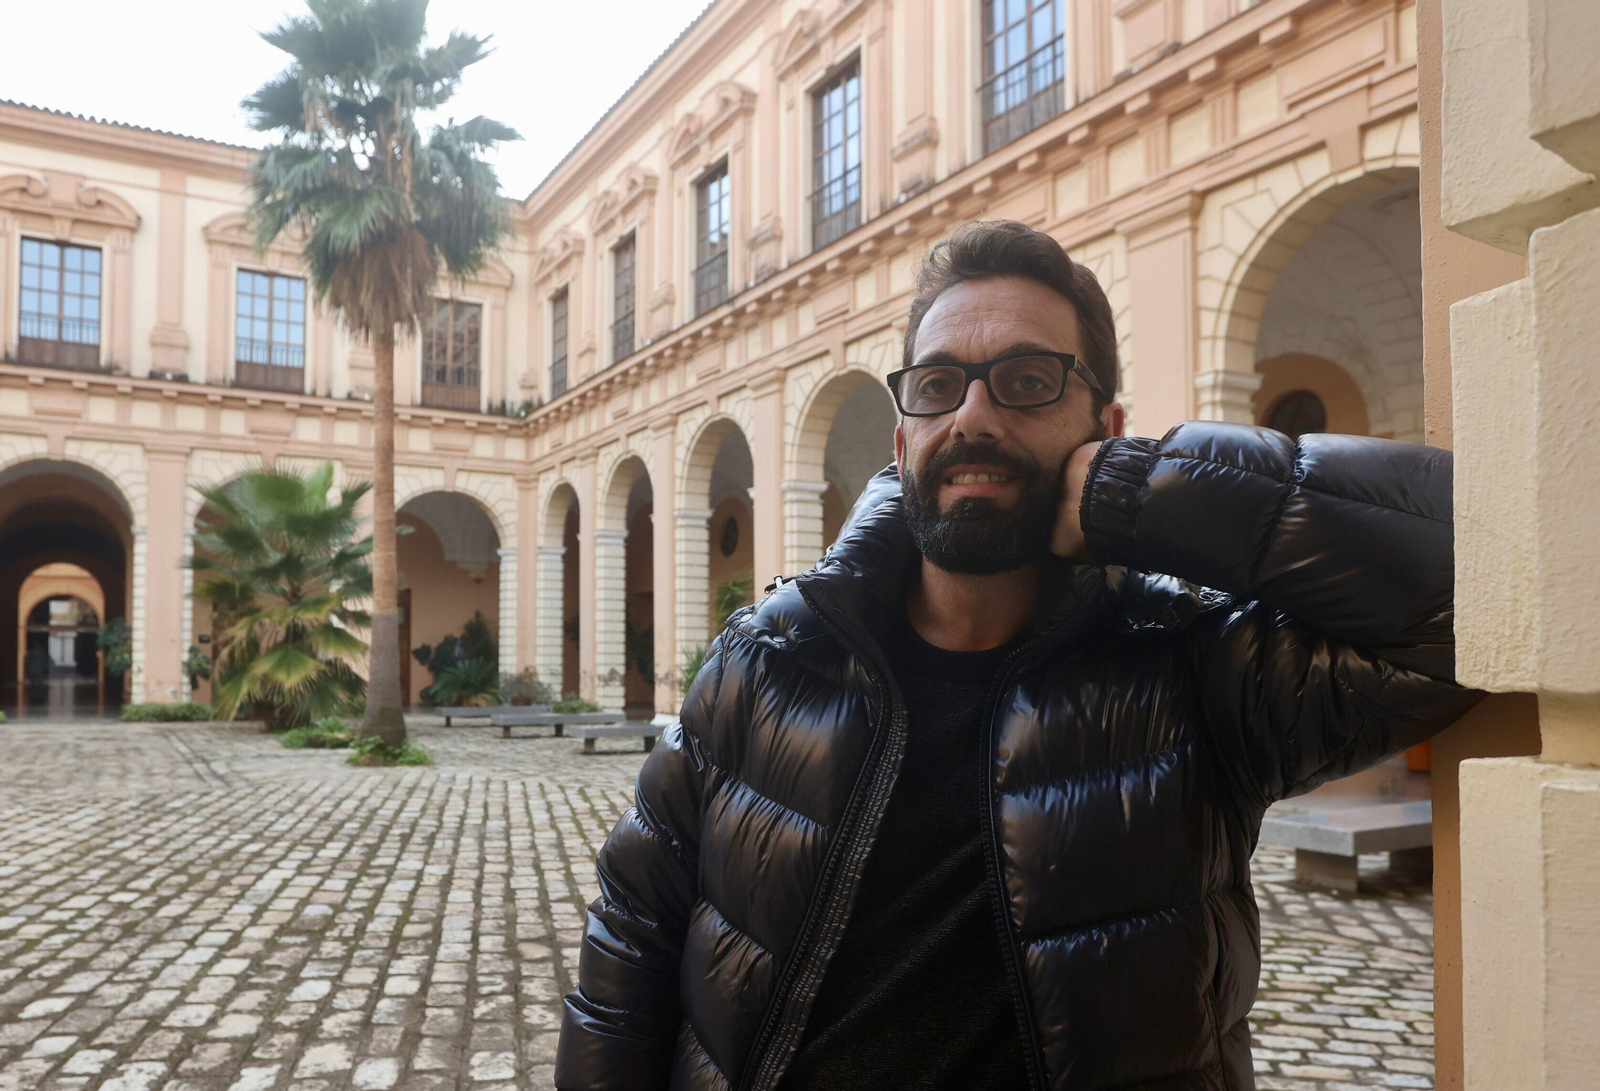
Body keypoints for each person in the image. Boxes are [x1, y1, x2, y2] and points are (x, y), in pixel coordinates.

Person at [554, 220, 1477, 1091]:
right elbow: (631, 951)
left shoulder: (1193, 671)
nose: (974, 416)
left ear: (1105, 429)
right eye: (938, 384)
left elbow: (1482, 577)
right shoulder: (764, 663)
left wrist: (1141, 498)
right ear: (902, 435)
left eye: (1027, 379)